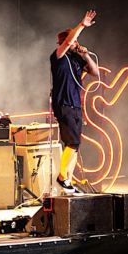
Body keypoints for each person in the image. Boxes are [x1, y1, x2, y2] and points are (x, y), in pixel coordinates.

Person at [50, 10, 98, 194]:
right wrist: (82, 25)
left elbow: (96, 73)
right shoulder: (58, 57)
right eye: (73, 41)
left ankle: (68, 180)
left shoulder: (77, 59)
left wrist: (85, 55)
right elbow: (69, 41)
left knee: (76, 145)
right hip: (63, 104)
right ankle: (62, 177)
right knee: (72, 142)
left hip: (76, 104)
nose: (75, 43)